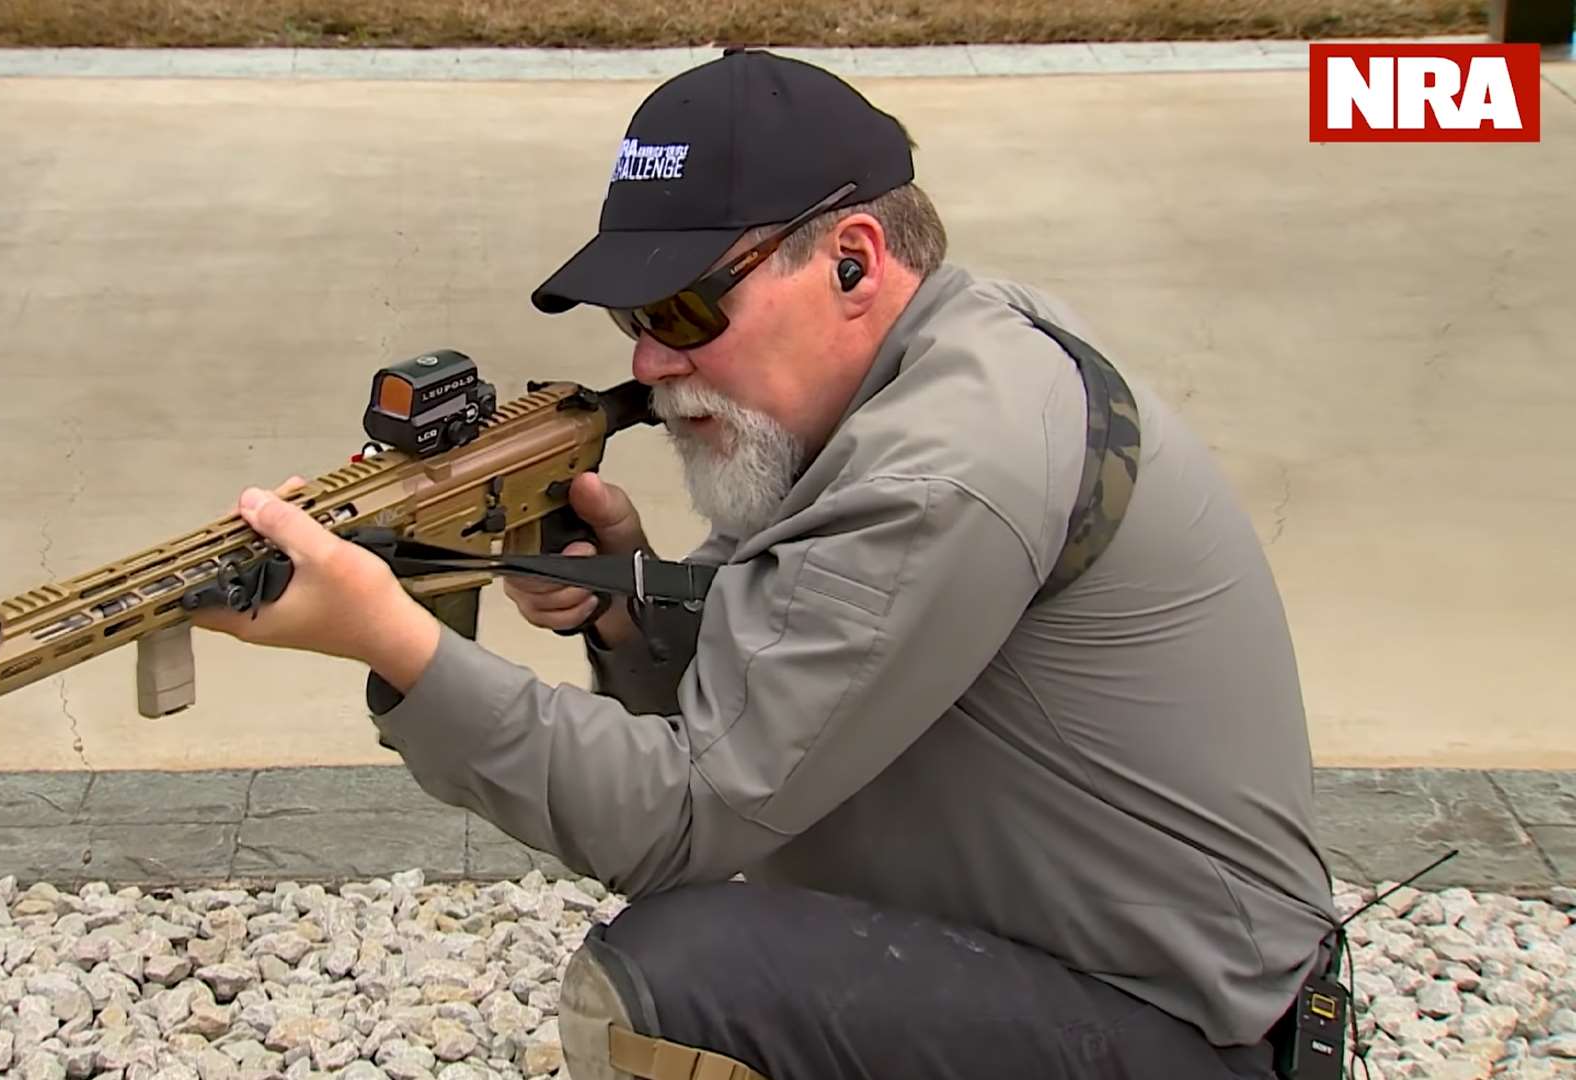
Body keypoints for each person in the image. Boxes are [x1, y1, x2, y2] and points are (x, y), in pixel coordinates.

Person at [192, 47, 1340, 1080]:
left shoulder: (942, 469)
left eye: (687, 309)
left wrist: (393, 638)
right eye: (631, 319)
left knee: (676, 987)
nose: (652, 362)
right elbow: (779, 686)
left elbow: (688, 820)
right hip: (1087, 972)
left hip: (1181, 1036)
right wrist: (626, 611)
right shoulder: (922, 370)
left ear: (854, 264)